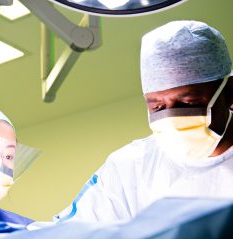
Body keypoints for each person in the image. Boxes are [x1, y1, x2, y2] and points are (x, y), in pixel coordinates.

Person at [55, 20, 233, 222]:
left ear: (230, 92)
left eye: (188, 102)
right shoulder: (130, 167)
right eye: (156, 107)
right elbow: (68, 232)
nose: (171, 118)